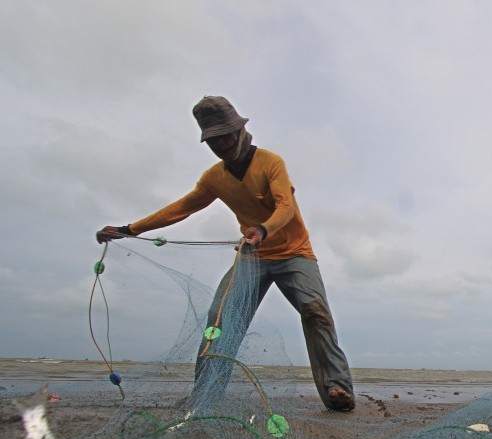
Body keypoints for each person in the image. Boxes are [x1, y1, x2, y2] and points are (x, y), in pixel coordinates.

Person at [96, 96, 355, 411]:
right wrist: (129, 229)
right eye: (212, 140)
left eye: (225, 135)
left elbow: (285, 206)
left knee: (316, 313)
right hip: (251, 258)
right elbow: (181, 208)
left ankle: (336, 389)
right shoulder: (214, 178)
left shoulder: (271, 163)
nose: (220, 144)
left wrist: (262, 229)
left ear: (241, 130)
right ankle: (206, 395)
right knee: (219, 319)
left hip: (294, 254)